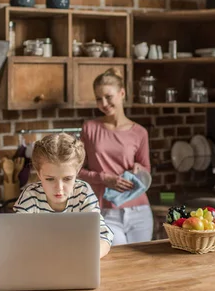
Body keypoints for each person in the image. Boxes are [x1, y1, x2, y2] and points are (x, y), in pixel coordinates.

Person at [78, 68, 153, 245]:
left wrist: (140, 169)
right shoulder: (89, 128)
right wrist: (104, 179)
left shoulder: (140, 132)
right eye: (98, 98)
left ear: (122, 93)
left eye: (108, 96)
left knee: (141, 268)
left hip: (139, 210)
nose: (103, 103)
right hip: (105, 211)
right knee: (118, 267)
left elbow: (146, 170)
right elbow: (76, 170)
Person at [13, 133, 113, 258]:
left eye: (67, 179)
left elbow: (102, 234)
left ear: (76, 172)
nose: (59, 188)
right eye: (50, 179)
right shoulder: (30, 196)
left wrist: (92, 254)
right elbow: (15, 237)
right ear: (39, 174)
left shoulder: (82, 192)